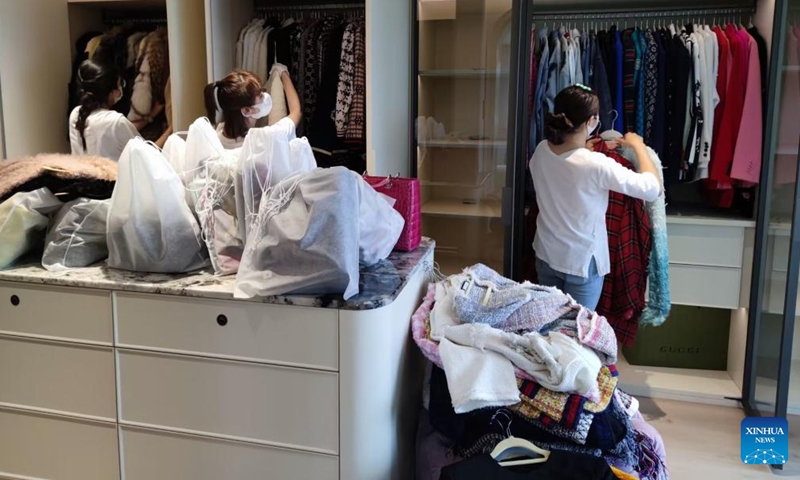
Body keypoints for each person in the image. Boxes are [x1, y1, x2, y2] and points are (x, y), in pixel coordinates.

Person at [529, 84, 662, 310]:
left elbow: (568, 166)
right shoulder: (595, 164)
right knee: (579, 335)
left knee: (550, 328)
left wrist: (582, 150)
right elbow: (651, 188)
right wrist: (639, 146)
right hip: (581, 263)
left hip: (547, 255)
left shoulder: (541, 151)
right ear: (591, 121)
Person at [69, 59, 171, 161]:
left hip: (84, 176)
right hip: (115, 176)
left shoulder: (76, 114)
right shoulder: (116, 121)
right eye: (119, 84)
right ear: (111, 92)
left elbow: (118, 131)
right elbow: (149, 154)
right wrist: (171, 129)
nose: (120, 90)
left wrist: (150, 116)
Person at [203, 66, 301, 150]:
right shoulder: (264, 140)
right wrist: (282, 71)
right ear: (246, 111)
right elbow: (296, 112)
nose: (265, 95)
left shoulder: (217, 135)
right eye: (260, 95)